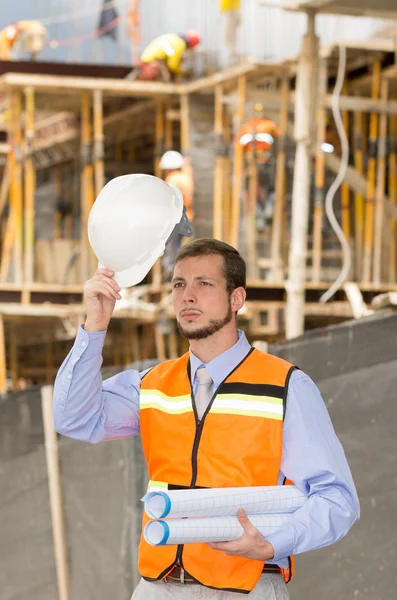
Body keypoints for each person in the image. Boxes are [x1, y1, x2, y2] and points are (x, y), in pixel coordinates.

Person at [53, 238, 359, 599]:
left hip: (245, 588)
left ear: (236, 299)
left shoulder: (286, 386)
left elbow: (337, 499)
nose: (187, 296)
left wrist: (271, 543)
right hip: (158, 588)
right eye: (179, 284)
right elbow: (72, 417)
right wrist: (94, 326)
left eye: (204, 283)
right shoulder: (152, 384)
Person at [160, 150, 194, 279]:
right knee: (179, 249)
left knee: (170, 251)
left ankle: (171, 277)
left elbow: (169, 200)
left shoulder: (172, 179)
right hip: (186, 218)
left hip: (175, 219)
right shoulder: (186, 177)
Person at [136, 30, 201, 81]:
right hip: (151, 63)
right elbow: (172, 65)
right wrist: (183, 73)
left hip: (147, 59)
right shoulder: (179, 44)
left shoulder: (173, 38)